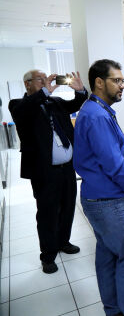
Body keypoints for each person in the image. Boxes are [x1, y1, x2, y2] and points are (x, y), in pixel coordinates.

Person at [73, 59, 124, 316]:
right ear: (99, 82)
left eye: (122, 81)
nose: (122, 86)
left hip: (97, 199)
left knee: (108, 259)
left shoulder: (95, 109)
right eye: (116, 80)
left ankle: (114, 310)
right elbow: (115, 166)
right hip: (111, 202)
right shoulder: (97, 115)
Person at [9, 69, 86, 274]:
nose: (45, 82)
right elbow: (26, 110)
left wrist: (80, 92)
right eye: (40, 80)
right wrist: (44, 92)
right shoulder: (18, 104)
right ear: (27, 84)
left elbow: (76, 104)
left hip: (67, 168)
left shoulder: (55, 102)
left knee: (68, 206)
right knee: (47, 213)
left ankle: (63, 241)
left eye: (46, 79)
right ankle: (48, 255)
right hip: (44, 171)